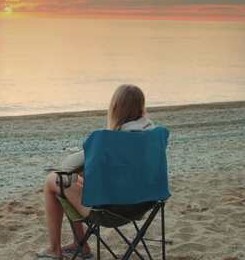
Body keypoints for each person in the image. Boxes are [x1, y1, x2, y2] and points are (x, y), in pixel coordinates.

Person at [37, 84, 156, 260]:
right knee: (73, 180)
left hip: (111, 212)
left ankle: (56, 249)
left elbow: (68, 164)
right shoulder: (153, 134)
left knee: (53, 180)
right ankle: (80, 243)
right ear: (141, 106)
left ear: (115, 107)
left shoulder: (109, 139)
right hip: (144, 204)